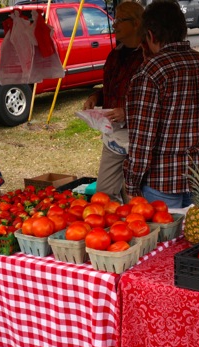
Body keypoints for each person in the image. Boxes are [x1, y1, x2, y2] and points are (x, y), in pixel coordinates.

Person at [124, 0, 199, 208]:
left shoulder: (150, 72)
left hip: (162, 180)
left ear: (150, 35)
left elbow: (142, 140)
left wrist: (131, 184)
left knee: (165, 240)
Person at [82, 1, 145, 204]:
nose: (114, 24)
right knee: (104, 193)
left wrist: (127, 111)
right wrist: (95, 97)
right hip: (114, 133)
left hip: (140, 136)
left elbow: (153, 97)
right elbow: (110, 87)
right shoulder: (115, 54)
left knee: (135, 196)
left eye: (119, 20)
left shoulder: (148, 56)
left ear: (136, 24)